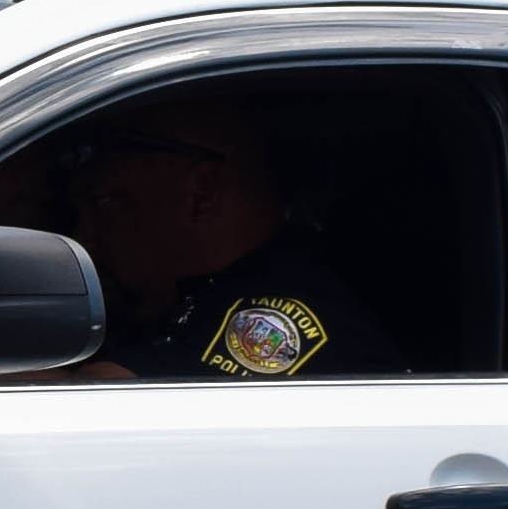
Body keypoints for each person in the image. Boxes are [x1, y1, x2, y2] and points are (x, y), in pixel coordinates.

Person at [43, 92, 392, 379]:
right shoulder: (203, 295)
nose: (83, 236)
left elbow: (112, 400)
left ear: (202, 193)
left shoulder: (287, 309)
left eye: (105, 205)